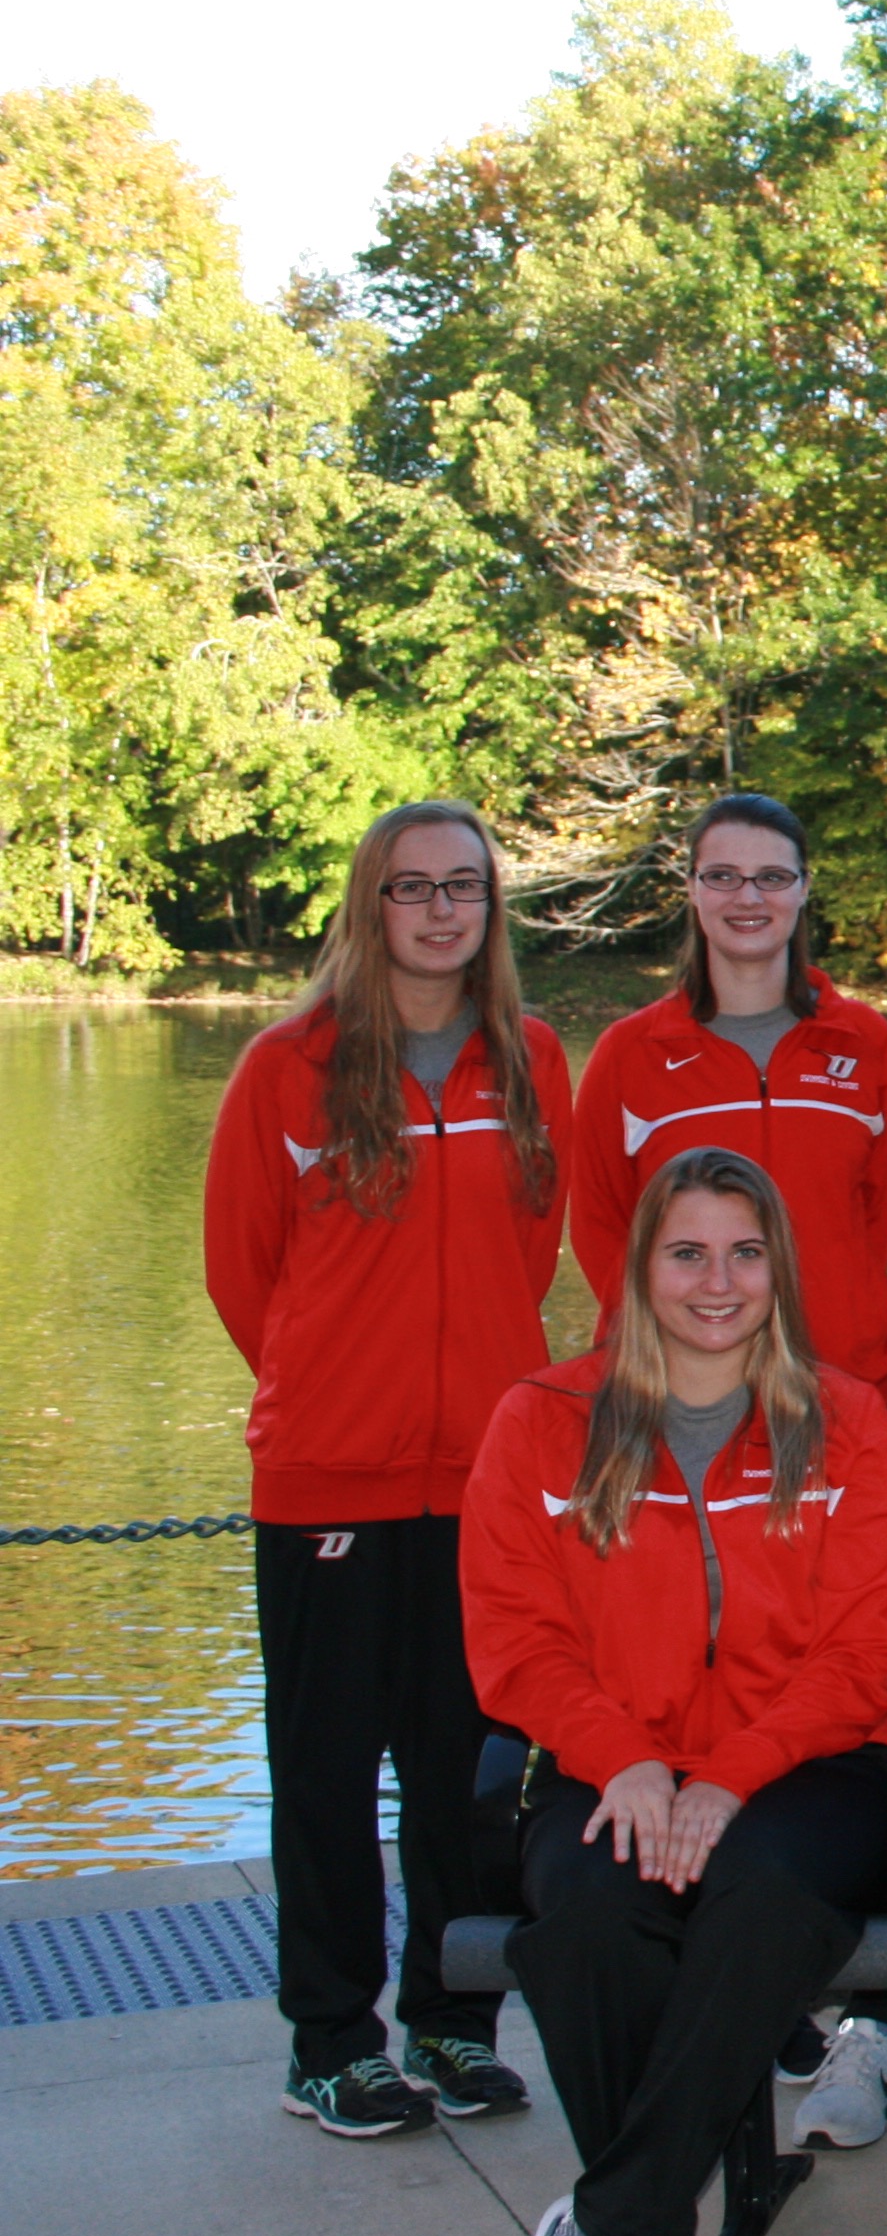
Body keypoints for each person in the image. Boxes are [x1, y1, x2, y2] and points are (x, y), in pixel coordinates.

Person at [455, 1149, 887, 2236]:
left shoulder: (847, 1421)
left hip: (811, 1766)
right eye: (688, 1253)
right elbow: (513, 1641)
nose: (718, 1283)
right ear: (639, 1266)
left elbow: (866, 1648)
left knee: (763, 1897)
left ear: (779, 1270)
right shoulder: (544, 1419)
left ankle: (619, 2232)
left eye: (745, 1254)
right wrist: (628, 1762)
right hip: (612, 1762)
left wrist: (730, 1775)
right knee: (589, 1918)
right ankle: (646, 2223)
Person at [203, 799, 569, 2137]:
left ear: (489, 907)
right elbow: (243, 1274)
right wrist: (335, 1392)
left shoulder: (528, 1058)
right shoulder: (286, 1067)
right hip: (331, 1486)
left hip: (482, 1485)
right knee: (325, 1780)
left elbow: (531, 1254)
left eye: (462, 886)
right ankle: (332, 2042)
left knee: (468, 1777)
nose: (438, 911)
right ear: (370, 905)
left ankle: (453, 2023)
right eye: (412, 888)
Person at [568, 793, 887, 1389]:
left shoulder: (864, 1042)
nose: (748, 898)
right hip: (678, 1389)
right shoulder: (629, 1051)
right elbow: (601, 1226)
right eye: (723, 876)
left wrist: (851, 1321)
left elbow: (872, 1219)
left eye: (772, 877)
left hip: (837, 1380)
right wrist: (656, 1353)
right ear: (692, 888)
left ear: (804, 888)